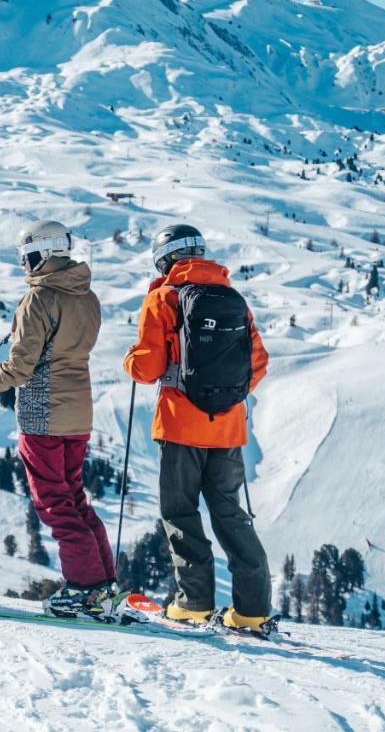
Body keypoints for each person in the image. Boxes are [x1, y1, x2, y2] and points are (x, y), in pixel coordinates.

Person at [0, 220, 116, 615]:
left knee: (55, 504)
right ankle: (102, 585)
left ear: (42, 254)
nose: (24, 266)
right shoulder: (86, 296)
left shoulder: (40, 300)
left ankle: (84, 589)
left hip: (43, 414)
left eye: (26, 257)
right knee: (75, 498)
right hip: (78, 413)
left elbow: (22, 366)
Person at [123, 223, 272, 633]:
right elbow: (258, 362)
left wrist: (130, 361)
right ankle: (253, 612)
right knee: (231, 515)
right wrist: (223, 398)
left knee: (180, 512)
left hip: (178, 426)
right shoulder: (234, 298)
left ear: (165, 259)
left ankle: (193, 604)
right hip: (228, 430)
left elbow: (148, 367)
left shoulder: (163, 298)